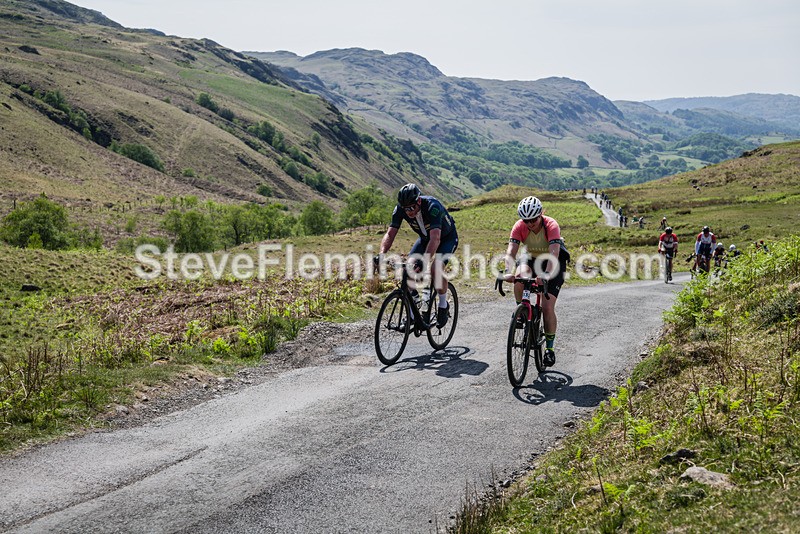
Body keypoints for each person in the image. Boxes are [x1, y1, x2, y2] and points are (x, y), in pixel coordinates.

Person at [377, 183, 458, 328]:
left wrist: (424, 261)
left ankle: (443, 305)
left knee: (435, 269)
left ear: (419, 201)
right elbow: (390, 233)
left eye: (412, 207)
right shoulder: (400, 210)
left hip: (446, 238)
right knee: (408, 271)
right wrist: (382, 254)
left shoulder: (433, 207)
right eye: (405, 208)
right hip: (425, 239)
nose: (409, 211)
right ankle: (413, 315)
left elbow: (436, 239)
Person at [500, 196, 568, 367]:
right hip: (530, 258)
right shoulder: (519, 226)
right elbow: (511, 252)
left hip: (553, 261)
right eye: (526, 220)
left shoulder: (551, 225)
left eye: (533, 219)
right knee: (519, 278)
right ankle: (522, 311)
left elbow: (553, 255)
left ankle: (550, 350)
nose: (530, 224)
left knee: (547, 307)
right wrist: (508, 272)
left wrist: (546, 274)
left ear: (540, 214)